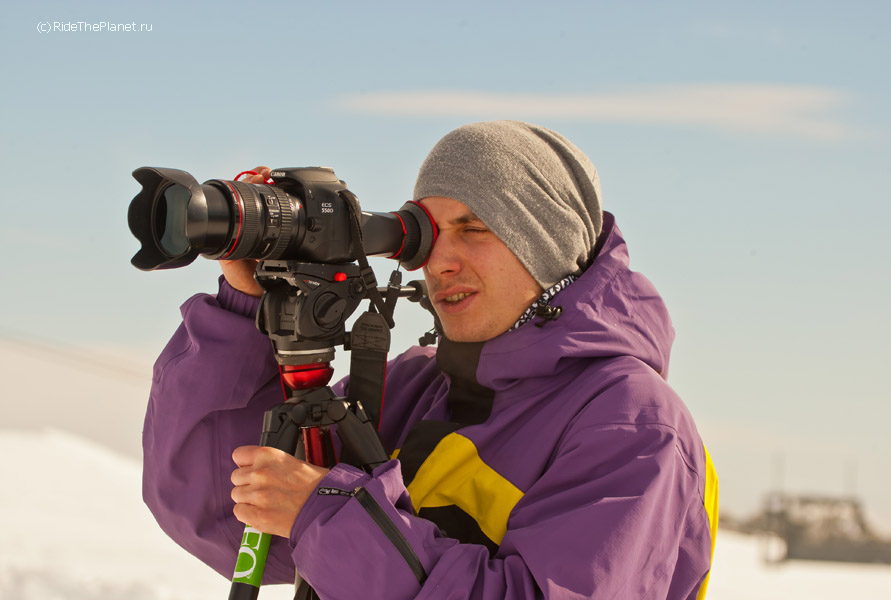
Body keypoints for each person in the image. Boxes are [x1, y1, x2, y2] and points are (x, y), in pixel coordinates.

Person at [142, 120, 718, 599]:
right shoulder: (414, 386)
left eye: (474, 228)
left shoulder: (631, 421)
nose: (440, 261)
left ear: (546, 245)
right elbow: (217, 514)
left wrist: (329, 516)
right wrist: (246, 309)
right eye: (426, 234)